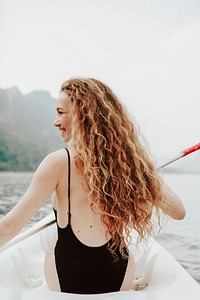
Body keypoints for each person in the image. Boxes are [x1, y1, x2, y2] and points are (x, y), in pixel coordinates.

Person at [0, 77, 186, 294]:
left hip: (67, 276)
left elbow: (9, 227)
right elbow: (179, 212)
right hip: (116, 275)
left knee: (55, 243)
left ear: (81, 114)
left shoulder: (58, 162)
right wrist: (142, 168)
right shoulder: (131, 166)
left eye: (61, 112)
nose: (55, 121)